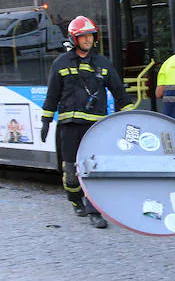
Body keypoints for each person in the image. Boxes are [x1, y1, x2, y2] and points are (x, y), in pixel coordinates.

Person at [40, 16, 132, 229]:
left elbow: (120, 93)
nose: (88, 40)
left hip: (95, 128)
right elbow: (52, 95)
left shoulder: (103, 63)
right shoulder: (61, 64)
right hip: (69, 126)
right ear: (74, 39)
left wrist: (127, 119)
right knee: (71, 170)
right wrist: (46, 121)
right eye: (83, 36)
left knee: (94, 168)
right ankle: (75, 200)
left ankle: (94, 210)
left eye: (90, 35)